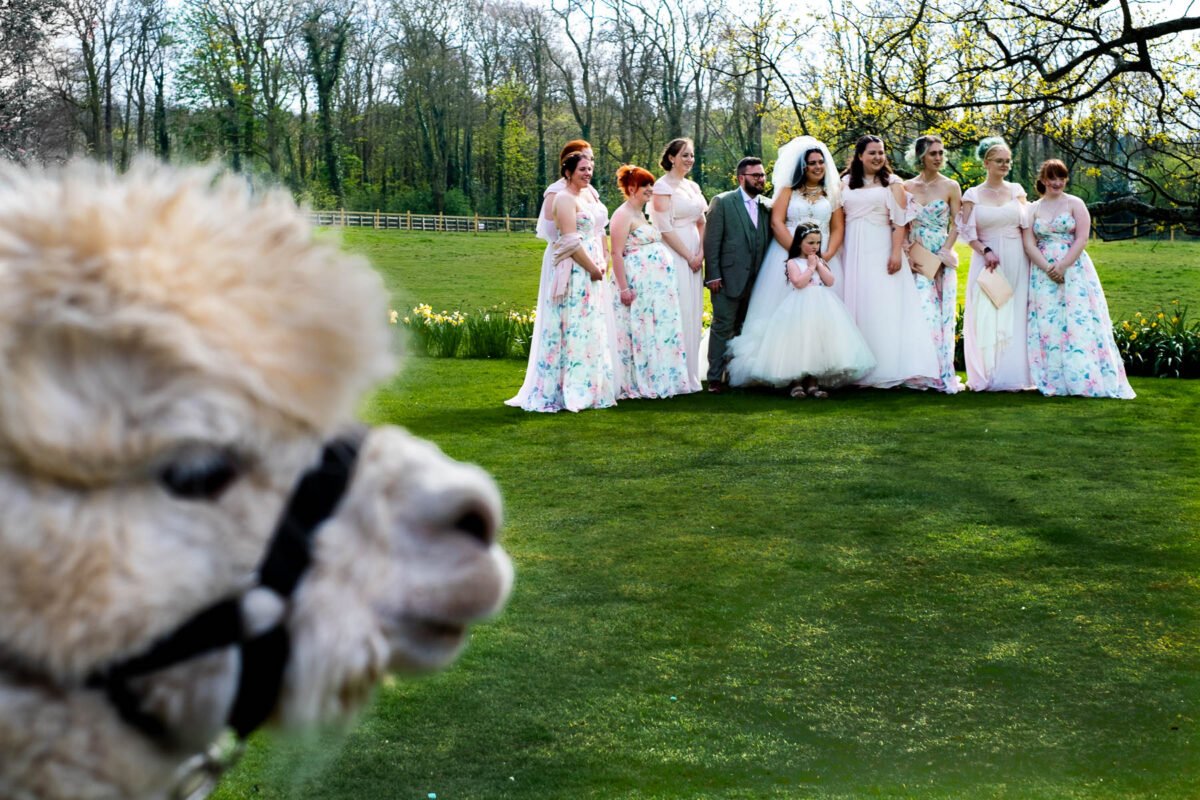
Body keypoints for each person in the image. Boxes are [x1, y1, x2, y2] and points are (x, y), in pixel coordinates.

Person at [728, 136, 843, 387]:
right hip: (786, 254)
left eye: (820, 162)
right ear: (802, 167)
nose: (817, 167)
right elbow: (776, 222)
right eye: (811, 163)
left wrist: (824, 256)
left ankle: (816, 373)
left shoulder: (832, 194)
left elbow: (837, 228)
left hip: (820, 258)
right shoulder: (788, 191)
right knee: (786, 316)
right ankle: (788, 373)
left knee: (819, 320)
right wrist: (797, 251)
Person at [1022, 159, 1135, 398]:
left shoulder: (1075, 203)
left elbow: (1082, 237)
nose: (1057, 182)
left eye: (1061, 178)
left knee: (1076, 320)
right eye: (1052, 178)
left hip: (1074, 269)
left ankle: (1082, 376)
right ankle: (1051, 378)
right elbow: (1029, 243)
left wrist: (1063, 266)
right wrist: (1048, 268)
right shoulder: (1032, 208)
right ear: (1043, 180)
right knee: (1048, 323)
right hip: (1042, 272)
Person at [507, 139, 606, 408]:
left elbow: (598, 229)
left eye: (591, 162)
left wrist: (602, 257)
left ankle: (588, 384)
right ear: (568, 169)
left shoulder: (589, 193)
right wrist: (588, 262)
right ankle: (562, 386)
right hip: (571, 263)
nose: (589, 169)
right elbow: (560, 236)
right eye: (583, 164)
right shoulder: (559, 195)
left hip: (593, 261)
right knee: (567, 323)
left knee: (588, 325)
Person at [728, 223, 875, 397]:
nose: (815, 247)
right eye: (810, 242)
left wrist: (819, 265)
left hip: (821, 305)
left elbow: (830, 281)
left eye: (818, 243)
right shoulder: (793, 262)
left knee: (817, 341)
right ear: (799, 243)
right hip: (799, 305)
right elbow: (798, 283)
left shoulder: (820, 261)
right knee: (798, 341)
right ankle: (796, 382)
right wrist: (811, 268)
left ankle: (813, 383)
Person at [840, 134, 940, 388]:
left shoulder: (893, 184)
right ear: (860, 156)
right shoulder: (844, 183)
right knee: (857, 301)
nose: (877, 157)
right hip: (852, 249)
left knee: (882, 304)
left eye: (881, 153)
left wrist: (896, 253)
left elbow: (899, 223)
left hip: (881, 248)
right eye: (872, 153)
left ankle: (886, 365)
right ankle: (854, 364)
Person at [608, 165, 691, 399]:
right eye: (645, 185)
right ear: (631, 188)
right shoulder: (622, 215)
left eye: (651, 185)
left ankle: (661, 375)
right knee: (640, 329)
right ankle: (637, 380)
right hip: (637, 286)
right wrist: (624, 287)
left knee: (656, 329)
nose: (650, 189)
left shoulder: (641, 214)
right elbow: (616, 253)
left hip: (656, 289)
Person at [959, 136, 1033, 391]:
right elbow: (967, 232)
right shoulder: (973, 195)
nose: (1005, 165)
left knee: (1014, 313)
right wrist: (985, 250)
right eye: (999, 161)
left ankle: (1013, 373)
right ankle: (988, 373)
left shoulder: (1017, 191)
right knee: (988, 314)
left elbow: (1028, 226)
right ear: (987, 163)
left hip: (1016, 258)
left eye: (1008, 161)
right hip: (987, 260)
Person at [702, 157, 771, 393]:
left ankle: (738, 374)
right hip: (727, 278)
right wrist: (713, 276)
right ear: (742, 178)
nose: (761, 179)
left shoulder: (767, 206)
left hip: (758, 279)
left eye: (762, 175)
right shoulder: (722, 202)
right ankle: (714, 377)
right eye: (756, 175)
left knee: (746, 327)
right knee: (722, 326)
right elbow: (712, 242)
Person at [903, 134, 964, 393]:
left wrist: (945, 251)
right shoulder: (906, 187)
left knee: (942, 315)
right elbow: (902, 225)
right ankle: (920, 370)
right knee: (921, 311)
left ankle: (941, 371)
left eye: (941, 153)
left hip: (941, 254)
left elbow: (958, 222)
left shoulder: (951, 186)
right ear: (921, 157)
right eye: (933, 154)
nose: (939, 158)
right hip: (917, 256)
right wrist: (908, 253)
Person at [649, 138, 706, 393]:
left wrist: (701, 253)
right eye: (684, 155)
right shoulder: (661, 188)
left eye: (692, 155)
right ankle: (673, 373)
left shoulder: (693, 187)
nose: (689, 160)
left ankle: (691, 373)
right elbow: (664, 228)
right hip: (673, 253)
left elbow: (702, 221)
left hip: (696, 253)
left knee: (693, 310)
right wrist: (687, 255)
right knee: (677, 309)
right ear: (671, 158)